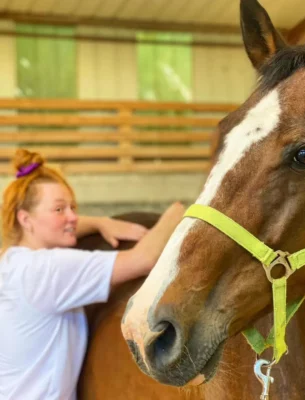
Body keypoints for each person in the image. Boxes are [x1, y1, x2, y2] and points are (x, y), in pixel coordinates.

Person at [0, 149, 185, 400]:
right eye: (59, 209)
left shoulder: (12, 260)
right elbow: (143, 258)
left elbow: (60, 225)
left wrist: (100, 222)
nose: (73, 218)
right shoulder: (48, 269)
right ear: (25, 219)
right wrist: (179, 212)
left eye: (73, 207)